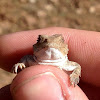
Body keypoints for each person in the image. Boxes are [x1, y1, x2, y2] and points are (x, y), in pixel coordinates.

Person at [0, 27, 100, 100]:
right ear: (35, 47)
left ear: (66, 48)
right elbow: (25, 58)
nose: (49, 43)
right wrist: (20, 63)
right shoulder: (31, 60)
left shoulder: (67, 64)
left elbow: (77, 67)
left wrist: (75, 75)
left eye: (60, 41)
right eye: (40, 40)